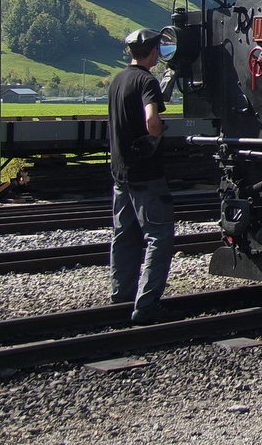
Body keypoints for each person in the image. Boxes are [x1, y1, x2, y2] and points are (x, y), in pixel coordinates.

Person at [108, 27, 175, 325]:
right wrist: (157, 135)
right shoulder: (147, 81)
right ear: (152, 51)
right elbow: (151, 118)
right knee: (159, 236)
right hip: (146, 173)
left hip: (120, 172)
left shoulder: (118, 80)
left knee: (123, 235)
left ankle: (120, 294)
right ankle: (146, 305)